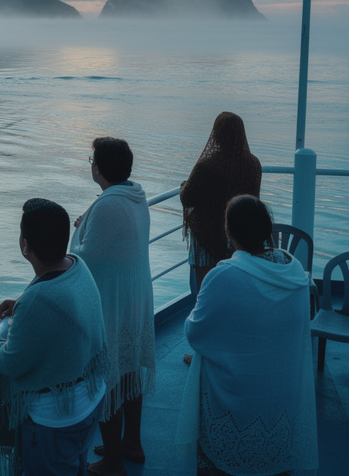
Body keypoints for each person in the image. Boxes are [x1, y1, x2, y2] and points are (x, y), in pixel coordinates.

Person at [0, 198, 111, 476]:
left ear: (25, 245)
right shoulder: (77, 266)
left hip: (56, 420)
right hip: (91, 399)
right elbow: (59, 302)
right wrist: (22, 303)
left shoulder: (38, 299)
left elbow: (11, 363)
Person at [178, 195, 317, 476]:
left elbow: (196, 331)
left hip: (234, 403)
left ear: (229, 232)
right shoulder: (297, 275)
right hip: (280, 404)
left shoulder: (224, 277)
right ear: (268, 230)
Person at [69, 137, 155, 475]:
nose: (91, 163)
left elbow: (85, 256)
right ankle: (130, 443)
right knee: (130, 370)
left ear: (99, 167)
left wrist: (79, 232)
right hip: (135, 295)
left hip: (113, 301)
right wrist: (88, 228)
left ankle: (113, 462)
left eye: (92, 158)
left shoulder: (108, 205)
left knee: (108, 376)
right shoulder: (135, 195)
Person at [180, 112, 262, 294]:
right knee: (234, 286)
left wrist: (184, 186)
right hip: (239, 236)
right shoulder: (253, 164)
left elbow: (187, 199)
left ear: (216, 134)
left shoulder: (207, 166)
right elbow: (254, 198)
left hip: (206, 234)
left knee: (204, 289)